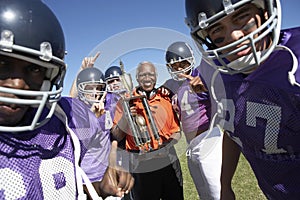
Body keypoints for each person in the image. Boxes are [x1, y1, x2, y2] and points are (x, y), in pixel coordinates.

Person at [0, 0, 134, 199]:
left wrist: (100, 189)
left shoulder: (64, 115)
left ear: (50, 76)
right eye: (2, 63)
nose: (17, 84)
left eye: (35, 68)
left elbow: (71, 189)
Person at [185, 0, 300, 199]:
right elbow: (234, 128)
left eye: (241, 17)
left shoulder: (294, 59)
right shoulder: (215, 71)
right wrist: (225, 184)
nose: (234, 36)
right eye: (216, 29)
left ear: (264, 11)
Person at [111, 61, 184, 200]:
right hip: (141, 163)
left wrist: (165, 145)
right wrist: (125, 119)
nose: (147, 78)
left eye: (151, 74)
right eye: (143, 75)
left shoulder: (165, 98)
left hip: (168, 159)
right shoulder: (125, 102)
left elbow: (177, 132)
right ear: (137, 78)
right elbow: (116, 135)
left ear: (156, 77)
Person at [165, 41, 223, 200]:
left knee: (215, 192)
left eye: (182, 63)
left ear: (190, 60)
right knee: (203, 192)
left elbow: (222, 91)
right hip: (192, 144)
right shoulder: (171, 85)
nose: (179, 68)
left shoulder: (201, 75)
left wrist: (207, 87)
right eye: (175, 65)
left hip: (208, 138)